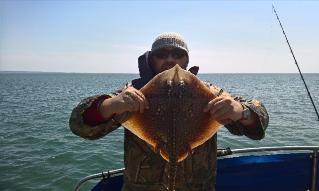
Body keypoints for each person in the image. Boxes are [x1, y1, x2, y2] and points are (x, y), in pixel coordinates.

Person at [69, 32, 269, 191]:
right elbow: (79, 124)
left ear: (186, 59)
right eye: (162, 54)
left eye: (177, 54)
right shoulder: (134, 93)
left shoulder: (208, 92)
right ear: (151, 59)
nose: (170, 59)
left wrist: (241, 111)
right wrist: (111, 105)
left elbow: (259, 122)